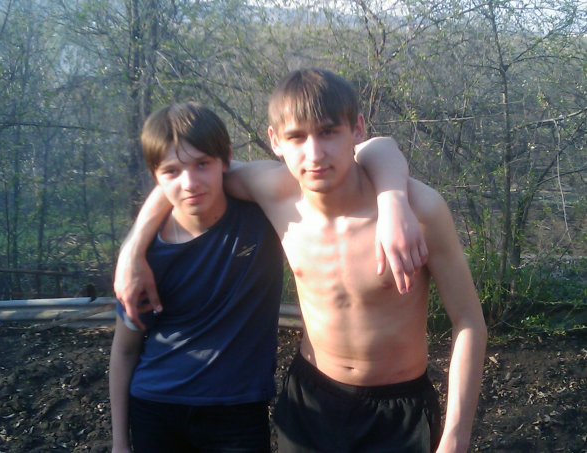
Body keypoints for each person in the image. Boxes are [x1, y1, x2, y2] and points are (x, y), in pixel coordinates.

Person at [116, 69, 487, 452]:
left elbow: (469, 321)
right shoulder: (274, 192)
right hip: (311, 403)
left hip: (399, 411)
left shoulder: (419, 211)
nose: (314, 154)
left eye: (328, 132)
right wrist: (133, 248)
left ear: (357, 130)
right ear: (275, 140)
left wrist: (456, 437)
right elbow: (185, 177)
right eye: (296, 137)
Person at [109, 103, 285, 452]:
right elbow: (125, 350)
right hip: (156, 409)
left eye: (202, 164)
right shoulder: (147, 259)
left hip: (238, 411)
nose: (190, 183)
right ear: (156, 176)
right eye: (172, 171)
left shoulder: (262, 217)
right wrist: (119, 442)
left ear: (226, 159)